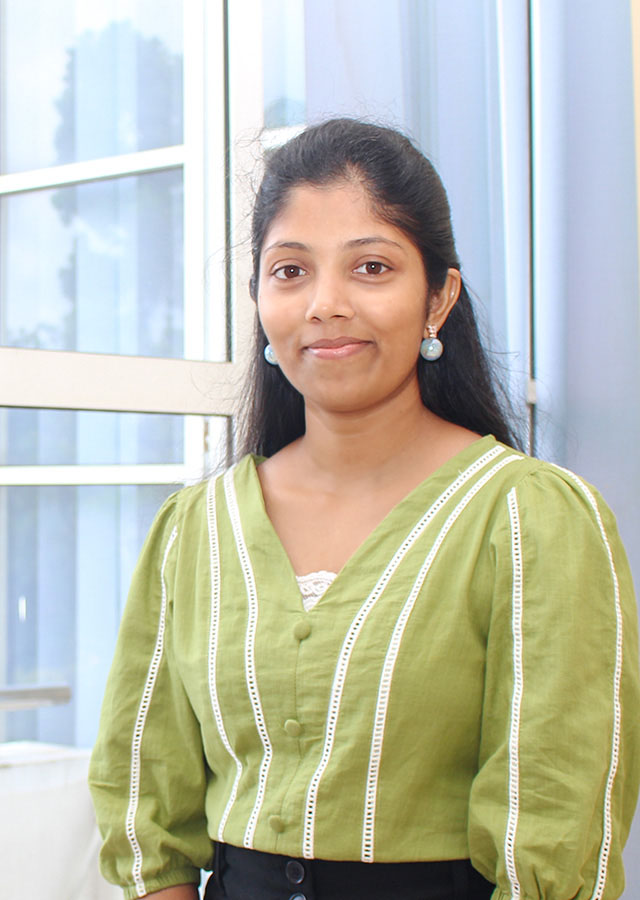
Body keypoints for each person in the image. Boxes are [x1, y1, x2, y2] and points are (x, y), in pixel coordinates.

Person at [89, 118, 640, 900]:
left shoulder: (529, 519)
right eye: (290, 271)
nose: (325, 304)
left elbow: (557, 814)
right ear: (259, 300)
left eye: (371, 267)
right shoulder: (194, 529)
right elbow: (145, 803)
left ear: (439, 298)